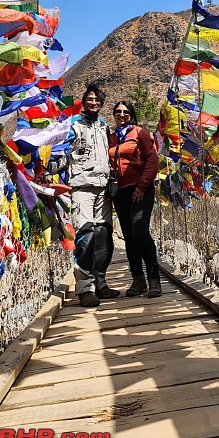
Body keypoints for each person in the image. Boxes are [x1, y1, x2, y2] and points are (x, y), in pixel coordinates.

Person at [67, 83, 120, 307]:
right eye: (90, 99)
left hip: (102, 187)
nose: (94, 103)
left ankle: (101, 283)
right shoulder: (73, 125)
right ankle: (85, 289)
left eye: (97, 100)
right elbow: (61, 152)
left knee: (104, 237)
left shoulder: (104, 126)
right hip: (81, 187)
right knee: (86, 236)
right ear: (84, 101)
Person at [109, 100, 162, 298]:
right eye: (118, 112)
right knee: (129, 237)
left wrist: (142, 186)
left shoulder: (141, 133)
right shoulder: (111, 138)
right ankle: (138, 281)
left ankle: (154, 280)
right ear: (114, 114)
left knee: (140, 232)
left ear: (131, 114)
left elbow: (152, 161)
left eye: (126, 112)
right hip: (120, 192)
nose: (122, 115)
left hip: (140, 189)